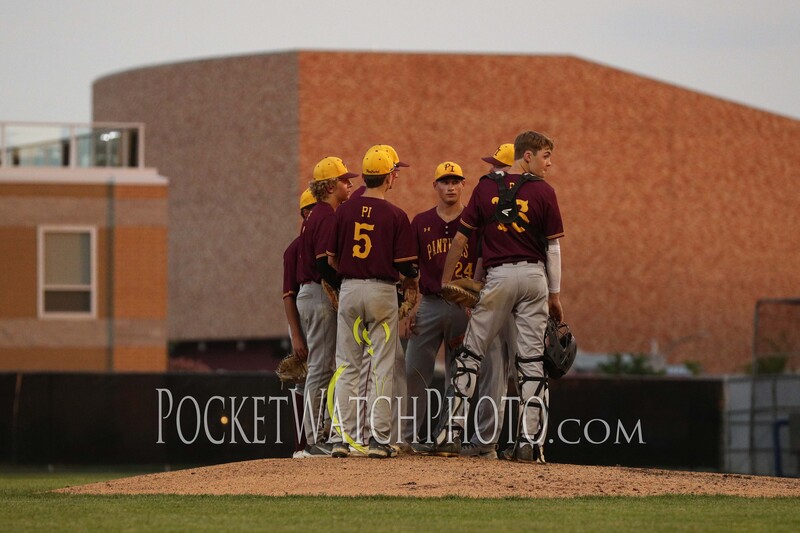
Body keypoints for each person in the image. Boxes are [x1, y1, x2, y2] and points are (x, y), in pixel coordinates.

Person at [433, 130, 564, 463]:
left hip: (498, 276)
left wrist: (446, 281)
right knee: (531, 363)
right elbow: (553, 248)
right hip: (534, 277)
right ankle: (530, 445)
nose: (549, 162)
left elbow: (462, 240)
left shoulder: (485, 188)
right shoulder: (544, 191)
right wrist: (555, 295)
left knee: (471, 354)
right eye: (546, 155)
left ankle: (451, 433)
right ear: (526, 156)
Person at [326, 148, 418, 459]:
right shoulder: (395, 215)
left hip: (350, 289)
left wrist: (345, 282)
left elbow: (330, 259)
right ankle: (379, 440)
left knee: (348, 366)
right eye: (396, 171)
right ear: (390, 175)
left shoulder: (345, 211)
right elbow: (406, 266)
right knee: (382, 367)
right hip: (381, 292)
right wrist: (412, 281)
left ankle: (342, 437)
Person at [403, 161, 478, 448]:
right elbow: (411, 270)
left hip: (464, 305)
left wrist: (478, 300)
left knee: (459, 374)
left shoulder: (473, 220)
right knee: (414, 371)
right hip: (430, 303)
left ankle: (451, 436)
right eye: (444, 181)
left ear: (463, 184)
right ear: (435, 186)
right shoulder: (421, 222)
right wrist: (411, 308)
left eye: (455, 181)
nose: (450, 186)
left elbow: (481, 262)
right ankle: (408, 438)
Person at [459, 143, 518, 459]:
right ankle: (527, 444)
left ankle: (486, 444)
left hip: (498, 284)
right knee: (521, 366)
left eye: (498, 165)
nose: (493, 169)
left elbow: (479, 250)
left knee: (496, 365)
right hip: (527, 286)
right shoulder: (534, 196)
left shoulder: (486, 193)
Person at [295, 157, 357, 457]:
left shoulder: (317, 214)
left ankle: (317, 433)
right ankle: (314, 437)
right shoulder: (327, 215)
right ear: (331, 185)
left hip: (311, 293)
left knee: (323, 367)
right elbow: (323, 264)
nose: (350, 184)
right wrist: (345, 285)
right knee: (321, 368)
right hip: (318, 293)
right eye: (345, 180)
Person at [282, 188, 317, 457]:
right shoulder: (294, 248)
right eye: (314, 208)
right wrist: (295, 335)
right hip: (304, 319)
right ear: (305, 213)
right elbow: (288, 295)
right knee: (302, 381)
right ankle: (301, 445)